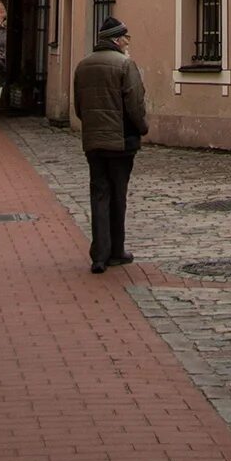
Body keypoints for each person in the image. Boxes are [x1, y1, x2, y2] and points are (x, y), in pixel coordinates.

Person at [72, 17, 148, 272]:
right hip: (121, 141)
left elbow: (79, 107)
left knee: (99, 194)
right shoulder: (125, 65)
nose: (128, 41)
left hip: (94, 142)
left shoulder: (82, 66)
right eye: (126, 37)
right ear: (117, 39)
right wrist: (142, 128)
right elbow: (135, 104)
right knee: (118, 195)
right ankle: (116, 251)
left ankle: (99, 255)